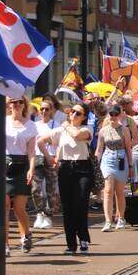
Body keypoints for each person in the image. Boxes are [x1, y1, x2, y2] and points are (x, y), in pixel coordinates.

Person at [39, 102, 93, 254]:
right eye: (72, 111)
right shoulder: (60, 131)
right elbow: (40, 141)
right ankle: (71, 244)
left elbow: (77, 135)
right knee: (68, 207)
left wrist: (65, 125)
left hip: (83, 168)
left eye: (78, 113)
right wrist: (50, 158)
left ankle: (83, 237)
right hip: (65, 168)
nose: (73, 114)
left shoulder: (87, 129)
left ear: (83, 117)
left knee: (80, 204)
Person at [5, 95, 37, 255]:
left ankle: (26, 234)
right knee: (3, 206)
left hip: (21, 164)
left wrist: (31, 169)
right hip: (4, 164)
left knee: (19, 208)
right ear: (8, 105)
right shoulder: (2, 122)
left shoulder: (31, 126)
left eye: (19, 102)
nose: (16, 105)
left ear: (24, 105)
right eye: (13, 102)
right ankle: (5, 244)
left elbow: (31, 151)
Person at [96, 103, 133, 231]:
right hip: (107, 158)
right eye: (111, 114)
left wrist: (131, 165)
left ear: (120, 115)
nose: (113, 116)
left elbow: (128, 148)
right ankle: (108, 220)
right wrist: (96, 163)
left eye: (115, 114)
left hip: (121, 158)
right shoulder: (103, 130)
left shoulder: (124, 130)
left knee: (119, 191)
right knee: (108, 190)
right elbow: (99, 149)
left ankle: (121, 217)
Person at [32, 98, 61, 229]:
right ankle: (39, 212)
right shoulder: (34, 125)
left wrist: (57, 159)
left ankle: (48, 215)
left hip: (52, 158)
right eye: (41, 109)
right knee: (36, 189)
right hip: (38, 158)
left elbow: (60, 144)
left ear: (51, 111)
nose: (44, 111)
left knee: (52, 189)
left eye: (46, 109)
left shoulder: (56, 125)